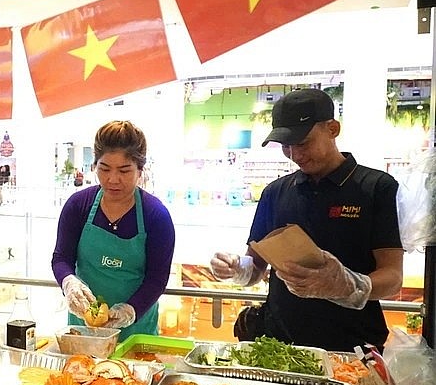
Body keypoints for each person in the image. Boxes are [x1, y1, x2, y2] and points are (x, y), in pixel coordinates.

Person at [210, 88, 403, 352]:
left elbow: (393, 277)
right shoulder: (275, 192)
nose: (295, 154)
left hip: (351, 348)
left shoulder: (376, 188)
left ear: (332, 129)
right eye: (286, 146)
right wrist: (234, 268)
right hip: (279, 345)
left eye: (303, 143)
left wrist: (346, 285)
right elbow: (255, 269)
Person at [52, 120, 176, 341]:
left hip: (136, 334)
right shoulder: (78, 206)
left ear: (140, 169)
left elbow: (157, 278)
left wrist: (130, 310)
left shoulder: (156, 216)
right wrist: (69, 282)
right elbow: (61, 258)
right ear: (94, 166)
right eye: (104, 169)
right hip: (84, 331)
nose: (113, 179)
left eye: (124, 170)